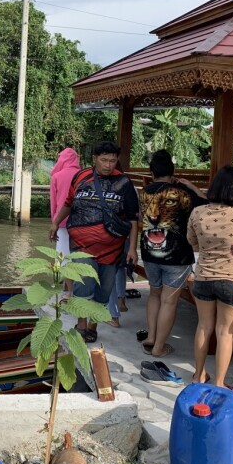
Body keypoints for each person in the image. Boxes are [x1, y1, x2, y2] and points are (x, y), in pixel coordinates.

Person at [49, 141, 139, 343]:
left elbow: (133, 218)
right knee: (83, 285)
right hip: (81, 247)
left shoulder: (124, 183)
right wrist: (55, 222)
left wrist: (132, 247)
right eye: (104, 160)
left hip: (111, 249)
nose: (108, 165)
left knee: (104, 290)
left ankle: (93, 325)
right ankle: (81, 325)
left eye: (113, 161)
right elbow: (68, 204)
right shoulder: (80, 177)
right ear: (94, 159)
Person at [140, 150, 206, 358]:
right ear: (173, 172)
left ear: (152, 173)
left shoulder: (144, 192)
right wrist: (193, 187)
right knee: (169, 301)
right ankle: (159, 347)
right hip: (177, 256)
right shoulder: (183, 194)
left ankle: (151, 337)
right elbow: (207, 205)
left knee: (154, 294)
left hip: (149, 252)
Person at [187, 166, 233, 386]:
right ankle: (220, 383)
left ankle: (198, 375)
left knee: (203, 326)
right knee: (225, 332)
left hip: (203, 275)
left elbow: (192, 242)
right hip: (232, 278)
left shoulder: (198, 212)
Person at [50, 148, 82, 296]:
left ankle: (71, 292)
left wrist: (54, 223)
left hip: (62, 223)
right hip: (82, 223)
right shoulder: (83, 176)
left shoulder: (56, 176)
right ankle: (68, 286)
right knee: (78, 256)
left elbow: (54, 203)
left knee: (63, 256)